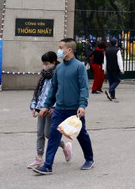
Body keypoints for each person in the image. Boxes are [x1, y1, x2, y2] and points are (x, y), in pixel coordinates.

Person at [32, 38, 95, 175]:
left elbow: (84, 88)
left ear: (69, 50)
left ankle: (89, 159)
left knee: (81, 134)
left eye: (61, 47)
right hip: (59, 109)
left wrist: (82, 105)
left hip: (74, 109)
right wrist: (46, 105)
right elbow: (53, 89)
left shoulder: (79, 67)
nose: (59, 50)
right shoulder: (59, 68)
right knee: (54, 134)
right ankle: (48, 165)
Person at [27, 51, 72, 169]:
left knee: (48, 133)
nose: (45, 65)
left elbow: (61, 92)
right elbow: (38, 92)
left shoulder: (59, 74)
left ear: (53, 62)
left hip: (52, 109)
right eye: (43, 63)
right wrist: (34, 106)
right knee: (39, 133)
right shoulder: (43, 75)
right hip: (41, 108)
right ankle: (39, 158)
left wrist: (55, 106)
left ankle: (64, 146)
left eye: (47, 63)